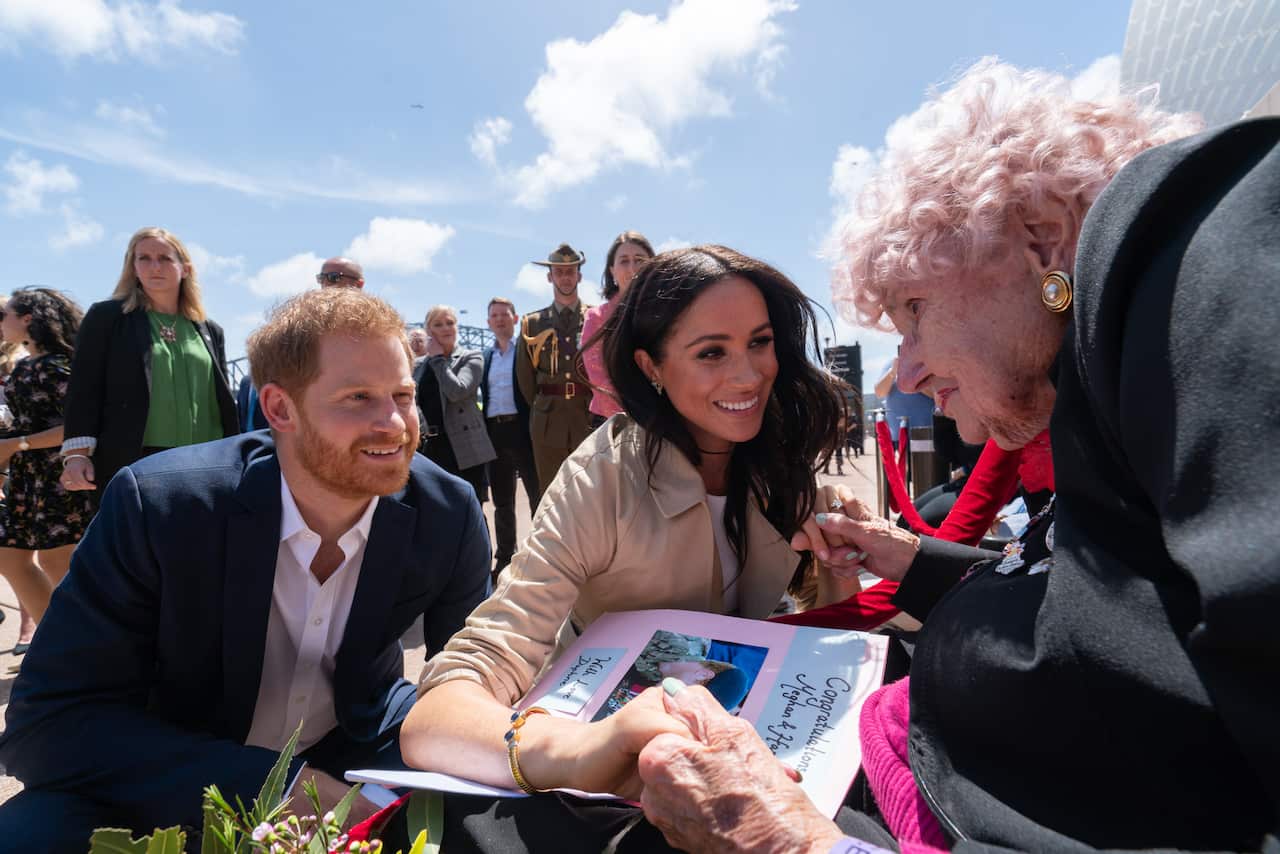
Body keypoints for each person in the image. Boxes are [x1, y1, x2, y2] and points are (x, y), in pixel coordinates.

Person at [634, 67, 1280, 853]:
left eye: (914, 312)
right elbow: (1112, 601)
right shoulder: (1105, 367)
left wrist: (796, 845)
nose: (904, 372)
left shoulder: (1203, 250)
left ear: (1041, 239)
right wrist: (913, 560)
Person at [0, 288, 492, 849]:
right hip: (170, 764)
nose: (394, 423)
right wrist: (271, 788)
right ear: (280, 408)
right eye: (358, 397)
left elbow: (470, 686)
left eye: (402, 395)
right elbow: (46, 726)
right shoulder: (161, 506)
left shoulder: (446, 511)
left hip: (356, 751)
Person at [401, 245, 850, 823]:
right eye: (712, 352)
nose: (749, 374)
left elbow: (828, 635)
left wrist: (839, 562)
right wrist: (583, 752)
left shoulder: (780, 460)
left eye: (759, 343)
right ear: (650, 366)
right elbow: (440, 710)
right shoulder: (601, 480)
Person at [59, 227, 239, 500]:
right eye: (144, 258)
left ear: (185, 269)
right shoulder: (107, 317)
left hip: (206, 462)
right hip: (134, 461)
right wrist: (76, 455)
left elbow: (221, 400)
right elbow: (84, 388)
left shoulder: (209, 330)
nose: (155, 267)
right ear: (133, 267)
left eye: (165, 258)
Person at [0, 289, 94, 630]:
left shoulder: (56, 366)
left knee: (58, 564)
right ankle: (55, 642)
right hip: (28, 480)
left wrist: (17, 444)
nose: (1, 323)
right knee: (9, 556)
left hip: (58, 477)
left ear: (27, 319)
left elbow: (79, 426)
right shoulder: (25, 367)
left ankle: (84, 648)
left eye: (4, 315)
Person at [516, 243, 594, 499]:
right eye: (559, 272)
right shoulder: (532, 324)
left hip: (587, 418)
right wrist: (544, 404)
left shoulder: (595, 319)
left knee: (591, 494)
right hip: (547, 422)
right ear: (550, 277)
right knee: (553, 495)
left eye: (570, 271)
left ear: (579, 276)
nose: (565, 277)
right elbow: (525, 379)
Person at [414, 305, 496, 503]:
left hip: (464, 447)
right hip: (431, 448)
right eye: (438, 324)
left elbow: (457, 392)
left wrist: (438, 359)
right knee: (436, 509)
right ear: (428, 331)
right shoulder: (418, 365)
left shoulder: (471, 357)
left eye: (450, 323)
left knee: (471, 509)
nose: (445, 328)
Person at [482, 297, 538, 579]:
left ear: (515, 319)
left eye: (504, 314)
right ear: (488, 322)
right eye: (494, 316)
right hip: (494, 432)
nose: (500, 319)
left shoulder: (526, 350)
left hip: (523, 430)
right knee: (502, 501)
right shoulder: (485, 356)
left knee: (537, 496)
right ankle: (505, 558)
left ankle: (540, 557)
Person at [581, 231, 655, 427]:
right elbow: (599, 379)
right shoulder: (596, 318)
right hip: (614, 423)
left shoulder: (668, 313)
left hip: (665, 420)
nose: (632, 268)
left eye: (639, 260)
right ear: (612, 271)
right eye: (624, 261)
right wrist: (637, 417)